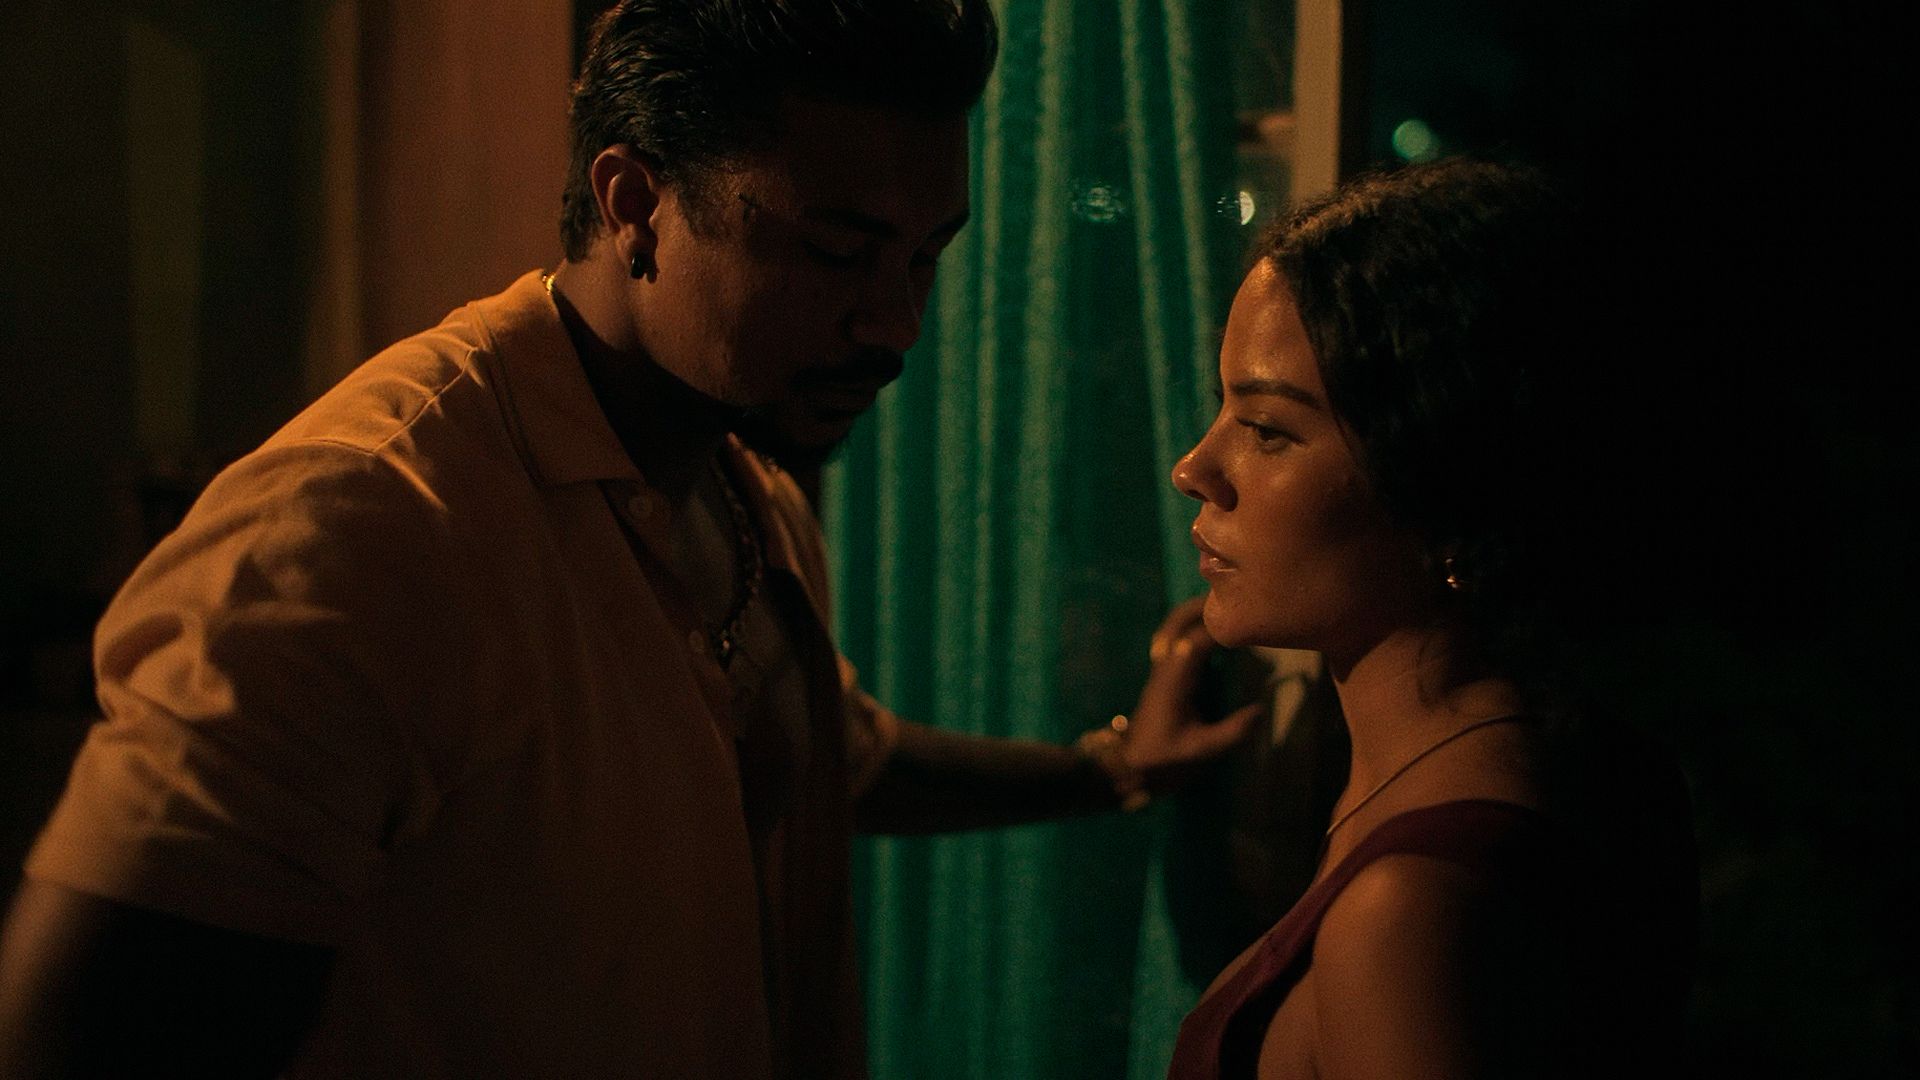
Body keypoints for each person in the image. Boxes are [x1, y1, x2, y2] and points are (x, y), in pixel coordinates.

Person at [0, 3, 1254, 1078]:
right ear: (635, 203)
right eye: (837, 250)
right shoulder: (361, 531)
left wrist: (1109, 768)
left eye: (926, 260)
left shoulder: (741, 491)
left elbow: (823, 755)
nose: (895, 325)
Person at [1159, 160, 1698, 1079]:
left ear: (1446, 483)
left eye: (1269, 430)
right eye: (1224, 410)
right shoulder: (1565, 755)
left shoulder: (1410, 911)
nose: (1194, 469)